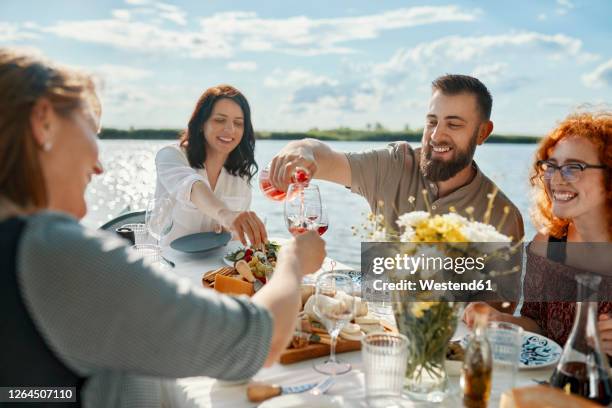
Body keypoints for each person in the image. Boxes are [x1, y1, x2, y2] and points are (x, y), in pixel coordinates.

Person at [0, 48, 326, 406]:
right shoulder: (54, 251)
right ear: (43, 122)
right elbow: (253, 341)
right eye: (92, 133)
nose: (100, 168)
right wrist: (293, 262)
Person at [268, 74, 524, 242]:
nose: (436, 135)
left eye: (453, 125)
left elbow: (493, 316)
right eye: (432, 122)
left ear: (482, 133)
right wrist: (301, 149)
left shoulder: (502, 217)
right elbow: (325, 158)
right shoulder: (394, 165)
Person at [463, 112, 612, 355]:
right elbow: (538, 327)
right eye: (551, 167)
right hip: (554, 387)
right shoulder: (548, 243)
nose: (556, 179)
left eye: (574, 167)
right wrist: (499, 320)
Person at [155, 84, 267, 246]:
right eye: (220, 120)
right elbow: (192, 186)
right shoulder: (170, 156)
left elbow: (235, 241)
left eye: (238, 123)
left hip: (216, 267)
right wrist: (226, 215)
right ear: (201, 124)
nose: (230, 129)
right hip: (165, 262)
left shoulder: (240, 174)